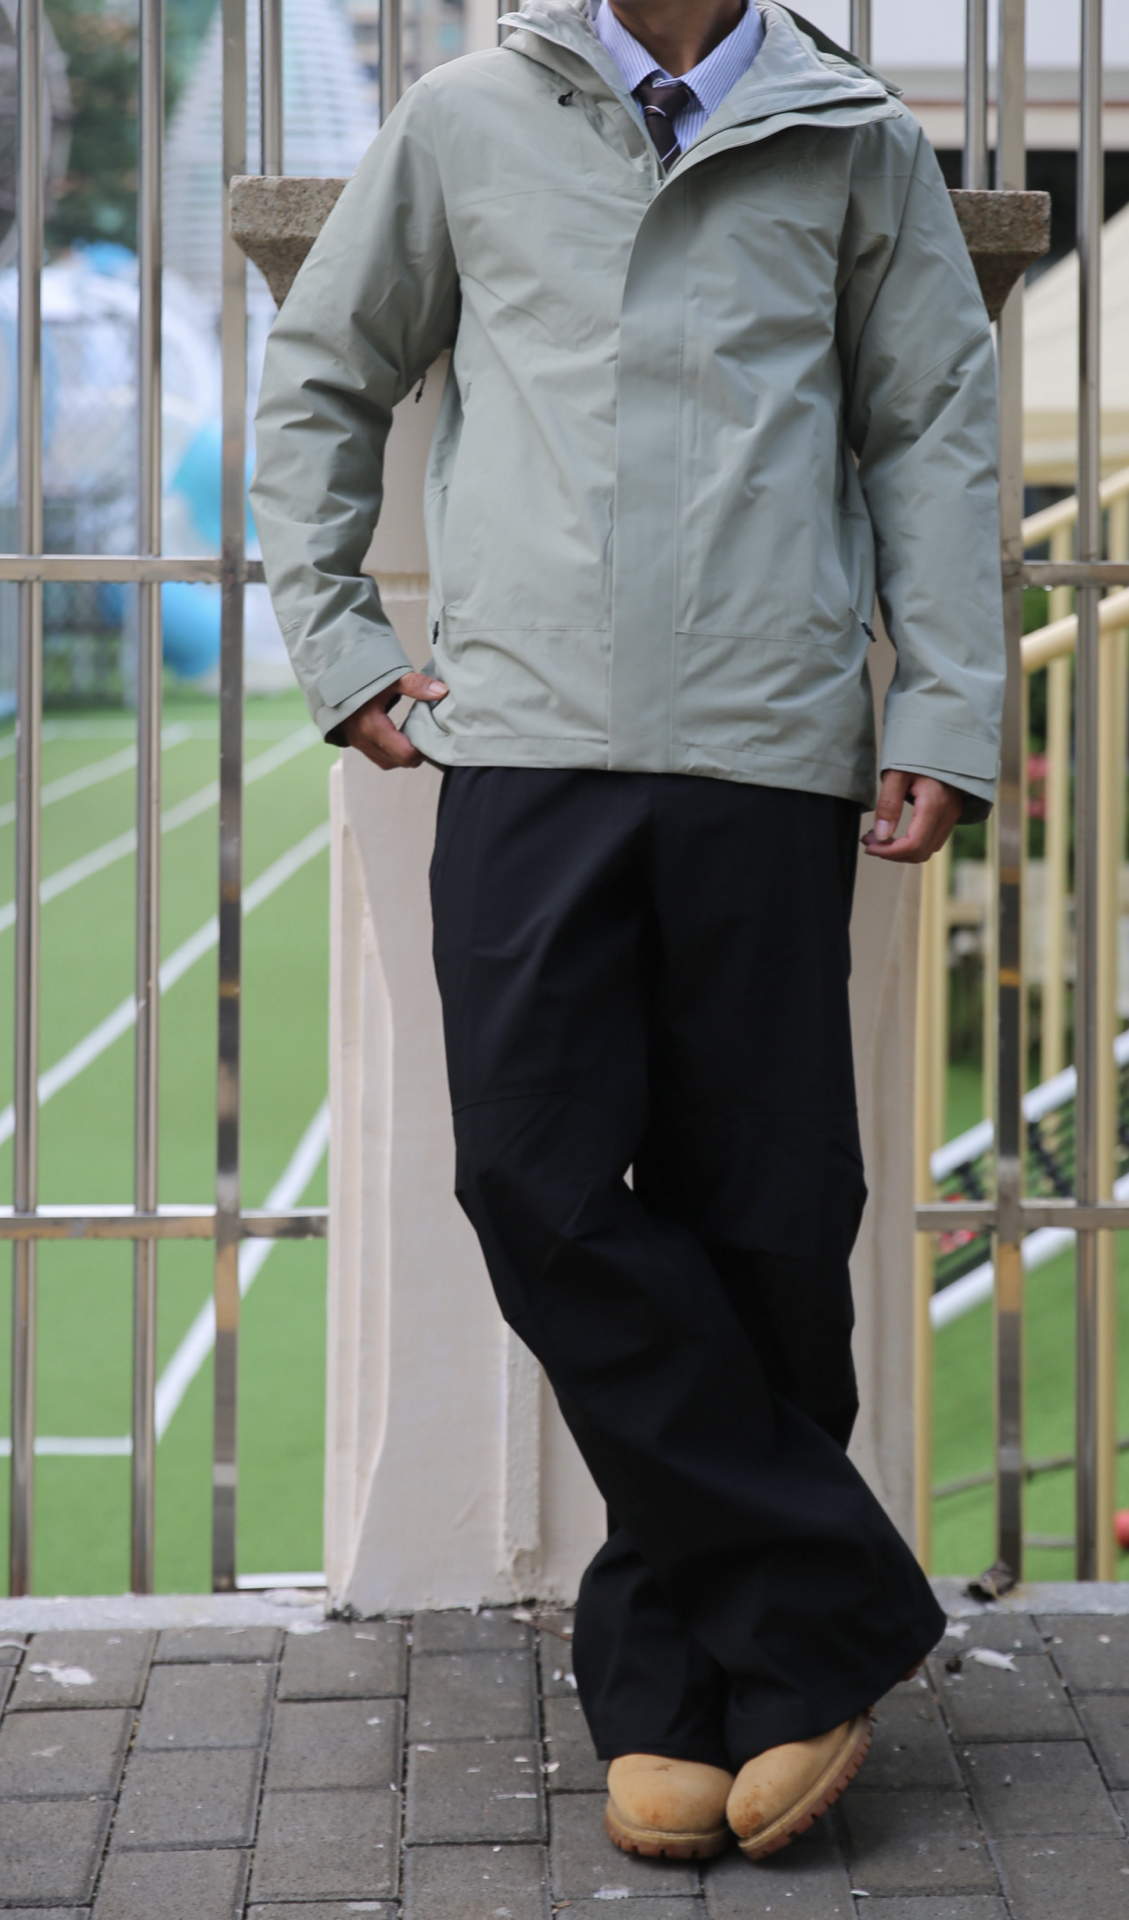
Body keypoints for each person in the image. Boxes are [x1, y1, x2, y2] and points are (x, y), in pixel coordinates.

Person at [252, 0, 1004, 1867]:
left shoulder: (857, 140)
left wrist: (943, 706)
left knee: (768, 1212)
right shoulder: (463, 121)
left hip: (769, 744)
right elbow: (325, 370)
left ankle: (689, 1690)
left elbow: (930, 430)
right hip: (524, 741)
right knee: (530, 1176)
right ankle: (826, 1612)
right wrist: (341, 643)